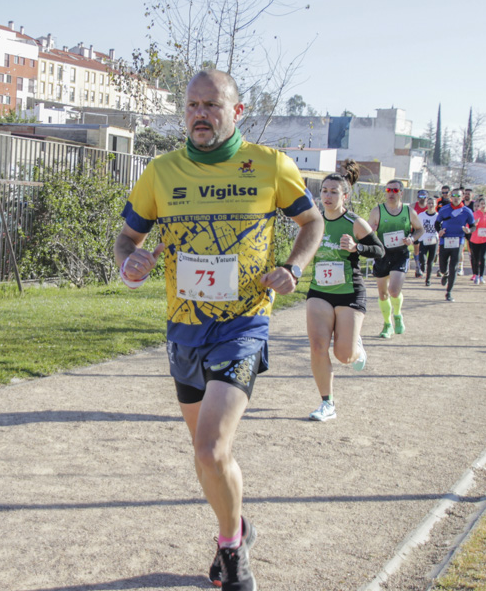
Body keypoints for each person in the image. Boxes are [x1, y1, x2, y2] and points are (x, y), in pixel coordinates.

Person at [114, 68, 323, 591]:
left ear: (237, 111)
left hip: (244, 325)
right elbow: (126, 238)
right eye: (191, 106)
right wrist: (130, 263)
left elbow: (313, 221)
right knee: (209, 459)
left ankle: (231, 555)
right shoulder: (161, 171)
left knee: (209, 449)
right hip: (183, 330)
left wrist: (293, 266)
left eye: (211, 105)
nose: (200, 114)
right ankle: (239, 529)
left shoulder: (270, 166)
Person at [305, 161, 385, 421]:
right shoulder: (313, 222)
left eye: (333, 192)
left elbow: (379, 250)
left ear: (345, 196)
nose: (327, 196)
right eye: (324, 191)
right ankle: (327, 403)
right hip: (319, 290)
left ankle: (356, 347)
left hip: (350, 292)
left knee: (344, 356)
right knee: (318, 346)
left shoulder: (354, 222)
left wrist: (356, 248)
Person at [367, 179, 424, 337]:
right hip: (382, 254)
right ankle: (387, 324)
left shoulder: (408, 211)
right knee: (383, 294)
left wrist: (412, 238)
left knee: (393, 290)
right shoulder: (377, 211)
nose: (391, 193)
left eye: (394, 190)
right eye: (388, 190)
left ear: (401, 192)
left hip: (400, 254)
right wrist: (371, 233)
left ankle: (397, 315)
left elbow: (420, 229)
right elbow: (368, 231)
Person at [436, 187, 475, 301]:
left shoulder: (467, 211)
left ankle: (449, 292)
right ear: (450, 197)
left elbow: (473, 225)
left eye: (458, 196)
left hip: (458, 241)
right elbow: (437, 223)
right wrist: (439, 231)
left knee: (454, 266)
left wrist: (469, 230)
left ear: (462, 197)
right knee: (443, 266)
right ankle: (445, 273)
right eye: (453, 195)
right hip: (445, 240)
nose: (456, 198)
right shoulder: (444, 209)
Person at [469, 198, 486, 284]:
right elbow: (469, 226)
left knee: (483, 257)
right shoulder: (474, 214)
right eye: (481, 204)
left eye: (484, 204)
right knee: (475, 258)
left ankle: (481, 276)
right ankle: (476, 274)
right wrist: (475, 223)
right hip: (475, 239)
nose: (483, 206)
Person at [419, 197, 440, 286]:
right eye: (429, 203)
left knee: (430, 261)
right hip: (423, 240)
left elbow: (440, 228)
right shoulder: (421, 215)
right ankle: (422, 264)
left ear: (435, 205)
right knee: (422, 258)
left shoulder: (438, 216)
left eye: (432, 203)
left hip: (433, 240)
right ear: (427, 204)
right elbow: (417, 227)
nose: (431, 205)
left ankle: (428, 279)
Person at [412, 189, 433, 277]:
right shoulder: (413, 206)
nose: (423, 198)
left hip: (427, 231)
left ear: (427, 198)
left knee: (428, 250)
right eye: (421, 196)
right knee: (417, 248)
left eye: (424, 196)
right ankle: (417, 266)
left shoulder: (429, 207)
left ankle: (426, 265)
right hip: (416, 230)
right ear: (418, 197)